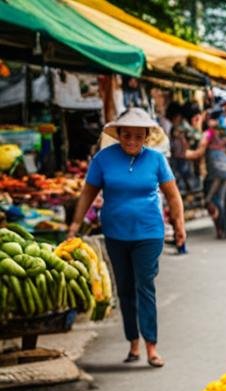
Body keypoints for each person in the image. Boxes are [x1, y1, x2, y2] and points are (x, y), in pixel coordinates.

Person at [67, 109, 185, 368]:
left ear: (146, 137)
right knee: (125, 289)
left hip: (149, 233)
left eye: (138, 136)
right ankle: (133, 343)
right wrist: (75, 226)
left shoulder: (156, 160)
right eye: (127, 135)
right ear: (118, 134)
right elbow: (88, 193)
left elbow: (173, 194)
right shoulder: (103, 159)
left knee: (145, 285)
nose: (132, 140)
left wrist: (179, 225)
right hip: (116, 234)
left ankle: (151, 346)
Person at [201, 110, 226, 240]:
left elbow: (200, 149)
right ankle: (225, 230)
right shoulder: (222, 132)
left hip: (218, 171)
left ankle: (222, 229)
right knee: (224, 201)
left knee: (215, 200)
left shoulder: (209, 133)